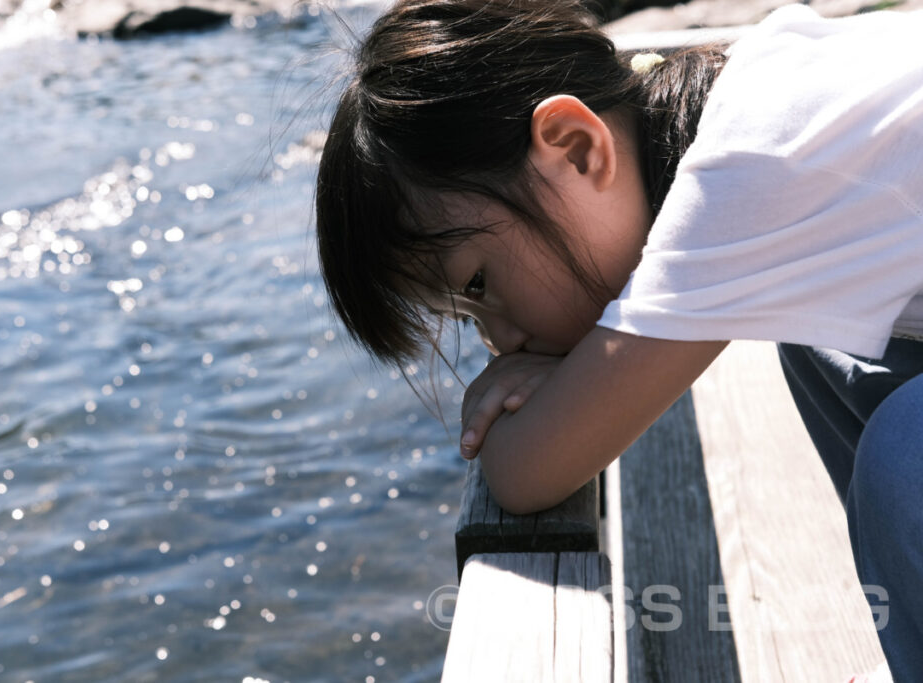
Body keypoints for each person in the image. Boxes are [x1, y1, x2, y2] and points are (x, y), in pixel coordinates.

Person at [314, 0, 923, 678]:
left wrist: (551, 404)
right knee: (826, 344)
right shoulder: (744, 101)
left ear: (576, 146)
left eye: (480, 286)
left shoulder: (737, 182)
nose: (499, 342)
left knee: (906, 442)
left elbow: (525, 471)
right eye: (468, 319)